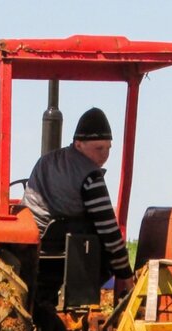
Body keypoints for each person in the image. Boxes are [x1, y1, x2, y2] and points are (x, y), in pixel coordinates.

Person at [22, 107, 135, 301]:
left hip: (29, 246)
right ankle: (82, 303)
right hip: (60, 252)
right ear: (79, 144)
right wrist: (126, 275)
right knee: (106, 247)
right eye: (99, 148)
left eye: (108, 148)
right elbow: (109, 232)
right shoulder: (90, 176)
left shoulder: (46, 161)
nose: (104, 155)